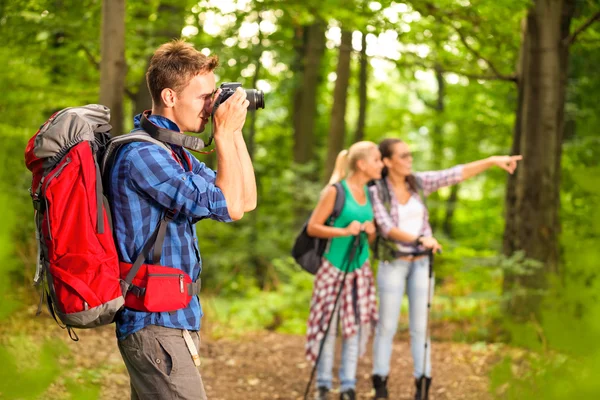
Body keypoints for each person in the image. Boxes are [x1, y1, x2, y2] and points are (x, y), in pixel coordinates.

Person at [108, 40, 256, 400]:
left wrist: (233, 133)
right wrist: (221, 134)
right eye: (205, 96)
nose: (212, 106)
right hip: (154, 324)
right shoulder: (142, 154)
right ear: (170, 97)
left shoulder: (175, 154)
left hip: (174, 319)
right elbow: (227, 205)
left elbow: (245, 200)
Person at [370, 138, 522, 400]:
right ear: (387, 161)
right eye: (404, 156)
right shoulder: (377, 191)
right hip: (393, 262)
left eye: (410, 154)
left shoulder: (416, 183)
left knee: (421, 327)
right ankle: (380, 384)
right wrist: (419, 240)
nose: (410, 160)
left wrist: (490, 161)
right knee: (387, 326)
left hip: (421, 264)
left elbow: (454, 174)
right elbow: (386, 228)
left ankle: (423, 384)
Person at [305, 141, 384, 400]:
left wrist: (370, 233)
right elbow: (313, 227)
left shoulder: (373, 194)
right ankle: (324, 384)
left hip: (359, 268)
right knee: (328, 328)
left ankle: (348, 385)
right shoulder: (336, 191)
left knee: (356, 328)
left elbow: (367, 239)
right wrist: (344, 230)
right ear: (361, 164)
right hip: (333, 267)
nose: (381, 164)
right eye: (377, 160)